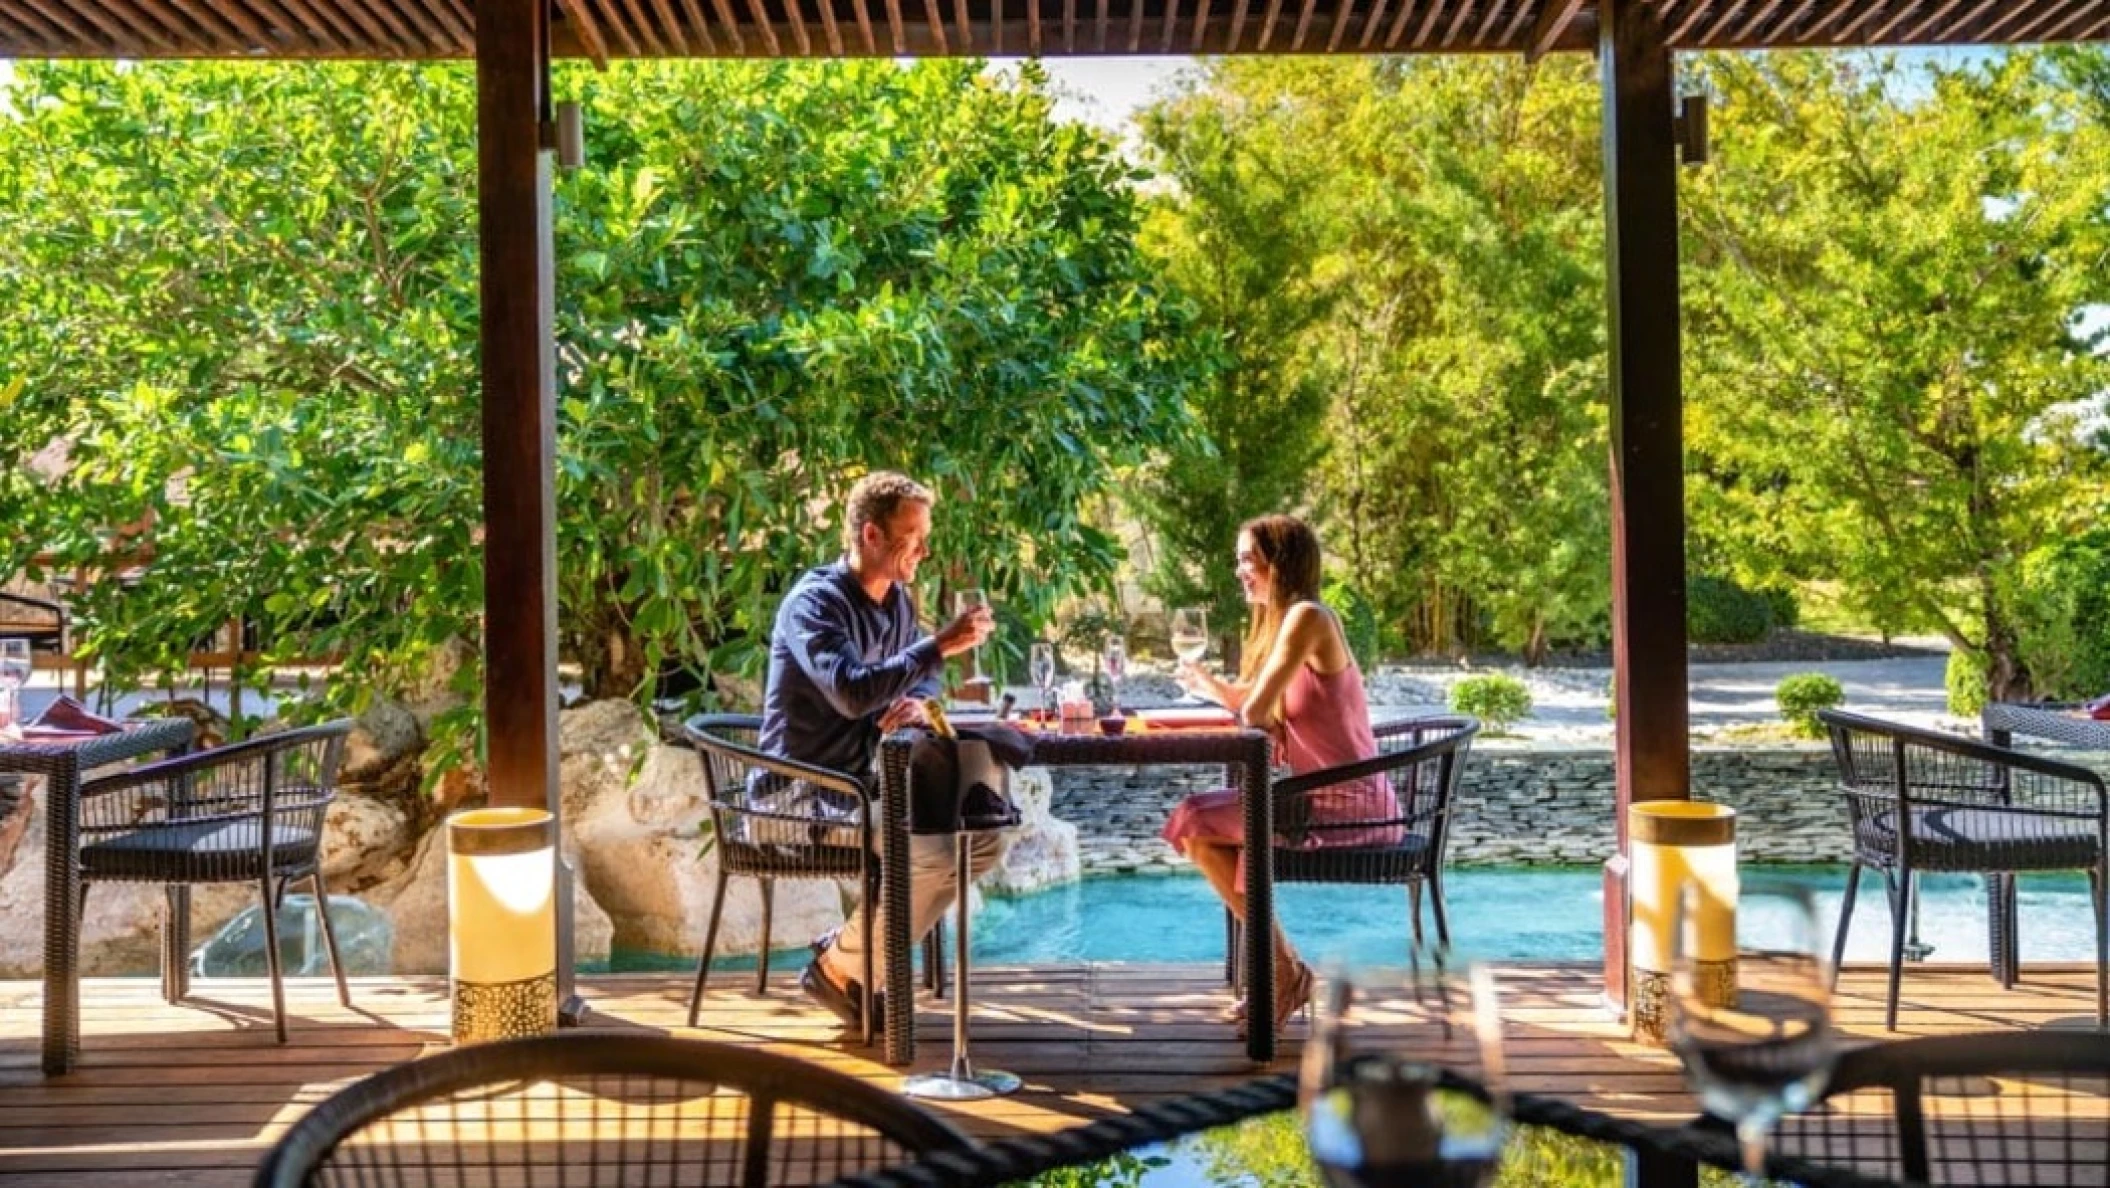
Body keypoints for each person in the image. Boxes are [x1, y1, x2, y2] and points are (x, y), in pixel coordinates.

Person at [759, 470, 1001, 1033]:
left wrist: (917, 702)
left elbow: (920, 683)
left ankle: (843, 961)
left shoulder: (895, 604)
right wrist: (939, 643)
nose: (925, 548)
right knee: (934, 850)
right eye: (913, 536)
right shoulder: (813, 605)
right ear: (871, 535)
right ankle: (851, 969)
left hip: (864, 786)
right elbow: (850, 690)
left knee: (982, 839)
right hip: (800, 797)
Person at [1163, 514, 1393, 1038]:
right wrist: (1210, 685)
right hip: (1315, 795)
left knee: (1195, 818)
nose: (1240, 571)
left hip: (1347, 803)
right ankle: (1285, 966)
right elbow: (1256, 706)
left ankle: (1284, 971)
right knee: (1196, 829)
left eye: (1248, 559)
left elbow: (1258, 711)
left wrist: (1246, 705)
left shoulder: (1308, 617)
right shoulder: (1288, 621)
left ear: (1279, 562)